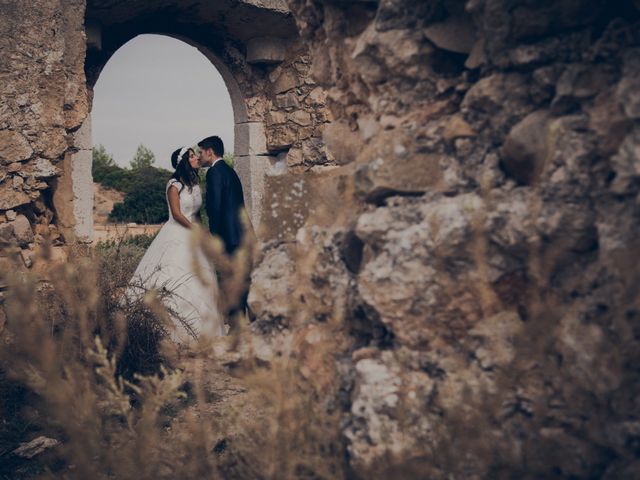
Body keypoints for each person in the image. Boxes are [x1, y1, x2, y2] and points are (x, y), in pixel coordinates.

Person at [127, 147, 224, 342]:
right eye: (191, 156)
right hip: (178, 232)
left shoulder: (195, 183)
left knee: (201, 275)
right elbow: (177, 214)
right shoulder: (174, 184)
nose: (196, 157)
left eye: (195, 154)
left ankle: (203, 326)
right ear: (183, 162)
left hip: (195, 232)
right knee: (173, 273)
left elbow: (196, 213)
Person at [198, 135, 252, 318]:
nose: (199, 156)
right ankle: (246, 315)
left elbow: (215, 207)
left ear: (210, 152)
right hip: (241, 233)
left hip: (227, 236)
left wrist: (214, 235)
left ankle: (237, 321)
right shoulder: (230, 171)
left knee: (230, 279)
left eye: (201, 152)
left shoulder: (214, 173)